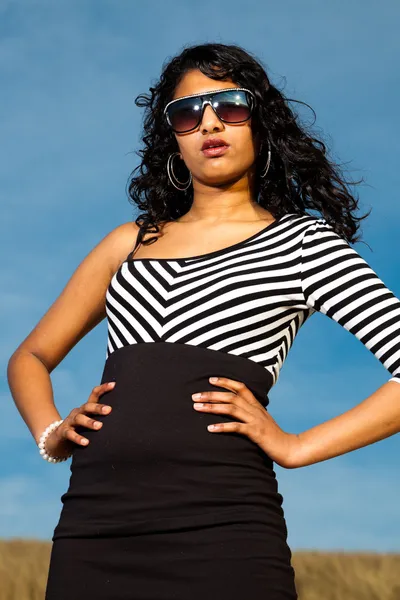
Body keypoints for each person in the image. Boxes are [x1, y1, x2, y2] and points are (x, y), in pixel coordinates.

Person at [7, 42, 400, 600]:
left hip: (226, 533)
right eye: (188, 113)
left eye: (230, 105)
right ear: (173, 138)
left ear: (260, 122)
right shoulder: (130, 242)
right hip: (94, 528)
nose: (209, 122)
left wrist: (297, 446)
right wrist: (51, 432)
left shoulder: (305, 245)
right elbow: (30, 357)